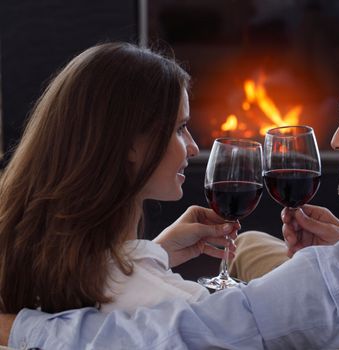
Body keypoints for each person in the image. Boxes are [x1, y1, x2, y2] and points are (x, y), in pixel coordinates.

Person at [3, 18, 339, 349]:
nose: (337, 140)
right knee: (253, 244)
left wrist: (19, 329)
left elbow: (164, 338)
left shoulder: (330, 289)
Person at [0, 42, 240, 315]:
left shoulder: (45, 272)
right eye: (180, 128)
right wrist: (301, 256)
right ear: (128, 144)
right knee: (253, 243)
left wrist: (153, 253)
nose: (194, 147)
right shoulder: (182, 307)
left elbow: (114, 277)